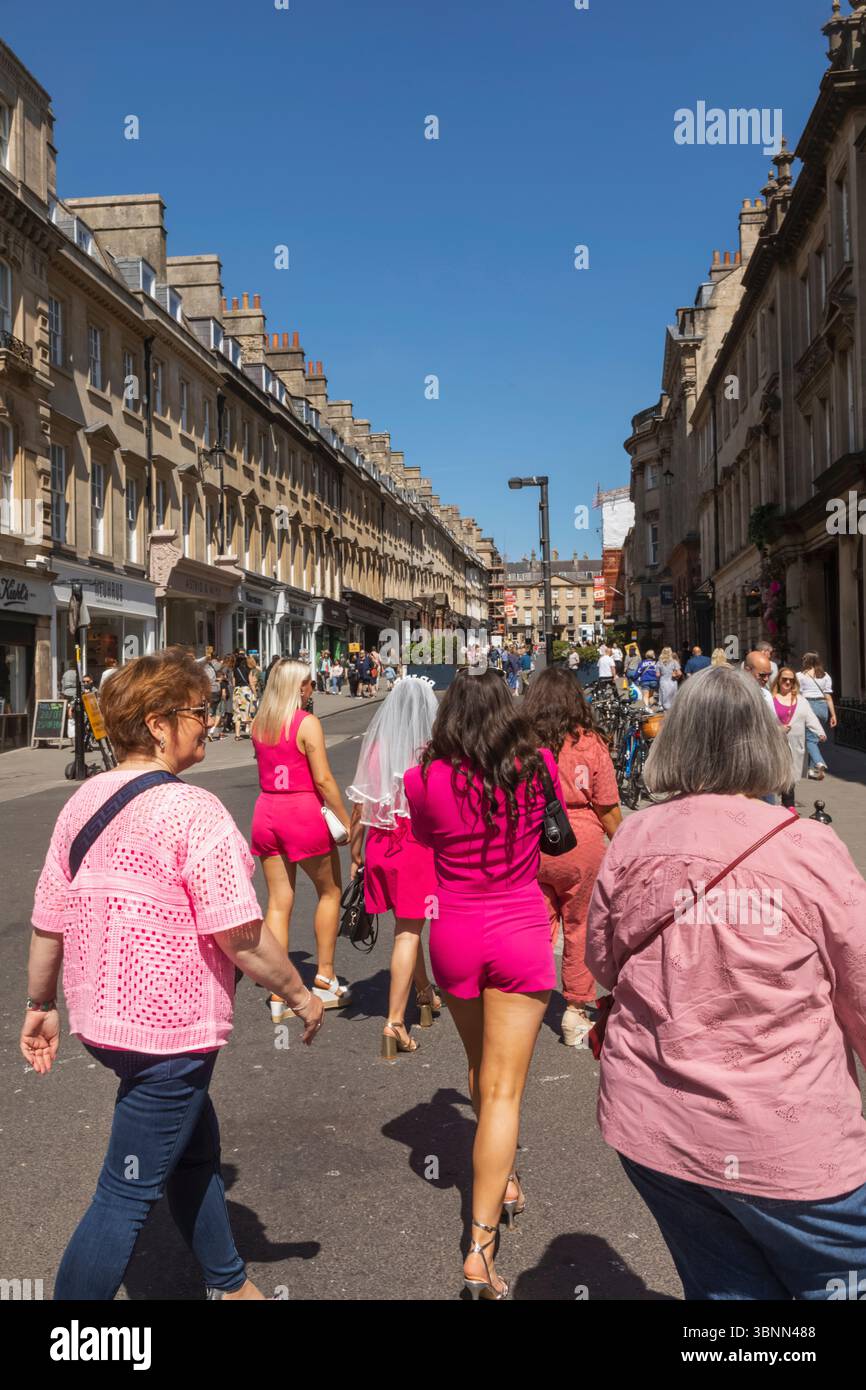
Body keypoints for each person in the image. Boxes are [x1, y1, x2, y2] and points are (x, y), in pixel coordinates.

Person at [22, 647, 323, 1301]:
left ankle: (231, 1284)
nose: (211, 722)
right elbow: (241, 935)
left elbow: (49, 916)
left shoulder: (82, 802)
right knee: (123, 1196)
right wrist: (300, 993)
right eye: (200, 711)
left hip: (105, 1023)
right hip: (166, 1029)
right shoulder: (196, 812)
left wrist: (39, 1002)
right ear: (158, 723)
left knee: (191, 1148)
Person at [586, 663, 866, 1300]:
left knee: (726, 1298)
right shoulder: (808, 849)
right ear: (763, 741)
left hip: (661, 1130)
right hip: (791, 1148)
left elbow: (602, 963)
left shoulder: (633, 838)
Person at [404, 670, 566, 1299]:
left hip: (455, 931)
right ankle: (479, 1244)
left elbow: (424, 839)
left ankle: (504, 1178)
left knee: (479, 1067)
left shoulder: (424, 779)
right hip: (520, 928)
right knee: (504, 1092)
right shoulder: (538, 765)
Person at [523, 669, 621, 1047]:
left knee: (535, 925)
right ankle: (576, 1010)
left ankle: (525, 999)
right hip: (580, 840)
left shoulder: (523, 742)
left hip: (533, 841)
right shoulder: (589, 742)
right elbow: (608, 805)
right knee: (580, 926)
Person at [250, 659, 353, 1017]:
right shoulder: (306, 723)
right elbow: (323, 779)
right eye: (308, 683)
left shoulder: (259, 724)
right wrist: (345, 819)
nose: (312, 688)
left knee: (279, 901)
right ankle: (324, 976)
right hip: (301, 811)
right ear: (297, 686)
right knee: (330, 891)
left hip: (266, 811)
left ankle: (279, 990)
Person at [347, 677, 441, 1056]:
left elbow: (360, 804)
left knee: (407, 925)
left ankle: (424, 994)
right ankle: (395, 1022)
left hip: (381, 843)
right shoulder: (432, 752)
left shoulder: (378, 748)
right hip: (416, 845)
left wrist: (356, 850)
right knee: (409, 930)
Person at [770, 667, 825, 809]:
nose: (788, 682)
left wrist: (819, 732)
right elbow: (762, 722)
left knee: (789, 778)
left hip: (795, 745)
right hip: (775, 744)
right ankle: (780, 806)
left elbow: (810, 717)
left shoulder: (801, 700)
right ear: (778, 680)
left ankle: (788, 807)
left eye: (791, 680)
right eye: (784, 679)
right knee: (778, 776)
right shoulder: (770, 699)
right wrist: (778, 729)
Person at [800, 652, 837, 780]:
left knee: (810, 740)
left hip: (808, 705)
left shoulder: (800, 676)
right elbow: (828, 697)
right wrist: (833, 715)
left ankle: (819, 762)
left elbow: (798, 695)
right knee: (815, 739)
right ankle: (811, 770)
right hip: (822, 707)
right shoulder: (825, 676)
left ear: (805, 661)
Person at [231, 651, 254, 741]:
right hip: (246, 691)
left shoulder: (235, 669)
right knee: (248, 712)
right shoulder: (248, 669)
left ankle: (237, 735)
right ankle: (251, 733)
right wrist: (255, 693)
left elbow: (233, 683)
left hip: (237, 691)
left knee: (237, 713)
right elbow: (251, 682)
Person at [655, 646, 681, 711]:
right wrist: (676, 677)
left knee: (664, 696)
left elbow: (657, 675)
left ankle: (664, 709)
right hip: (672, 681)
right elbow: (680, 673)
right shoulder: (674, 662)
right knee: (673, 696)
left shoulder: (659, 662)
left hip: (663, 681)